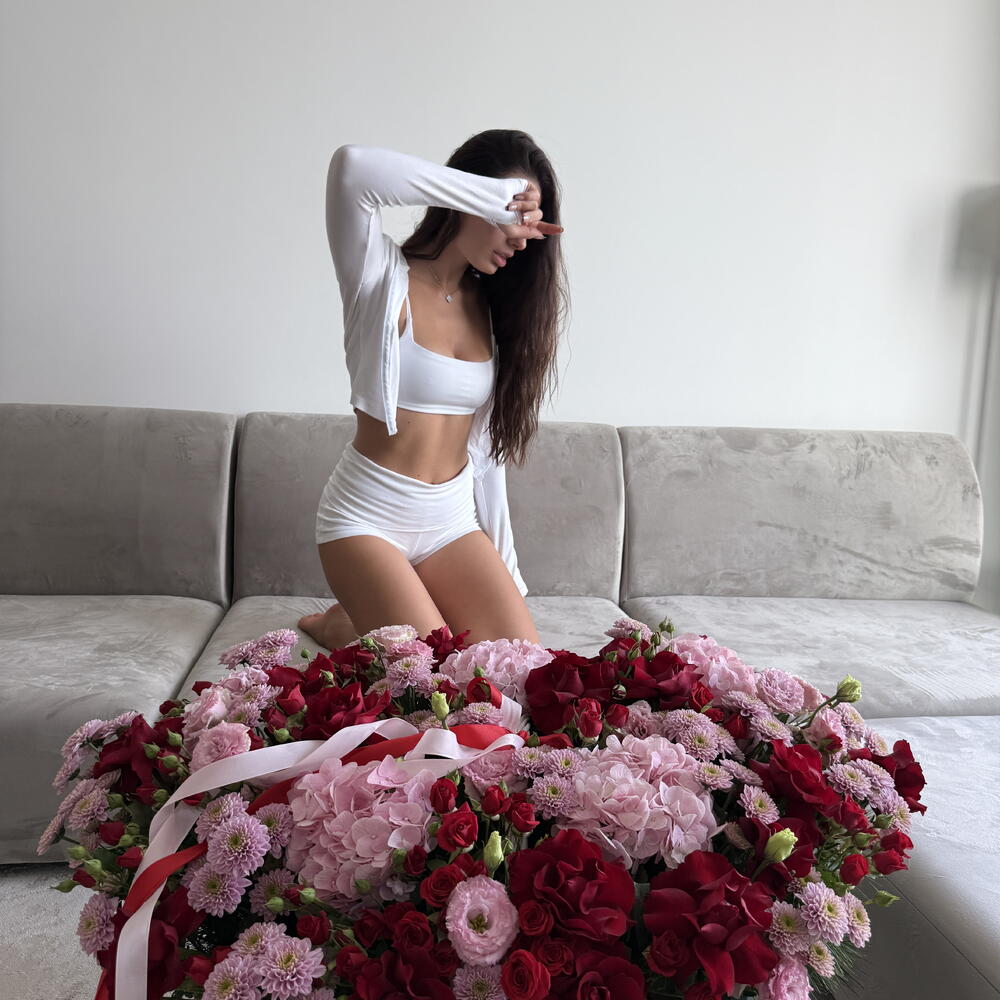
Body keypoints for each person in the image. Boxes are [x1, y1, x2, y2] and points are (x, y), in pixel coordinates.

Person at [298, 131, 566, 651]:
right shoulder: (378, 274)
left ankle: (356, 623)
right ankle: (343, 625)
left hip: (450, 522)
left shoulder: (493, 308)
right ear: (467, 197)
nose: (521, 239)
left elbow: (486, 459)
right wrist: (490, 196)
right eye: (513, 216)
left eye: (530, 225)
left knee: (519, 671)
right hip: (366, 519)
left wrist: (505, 571)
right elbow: (352, 169)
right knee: (436, 680)